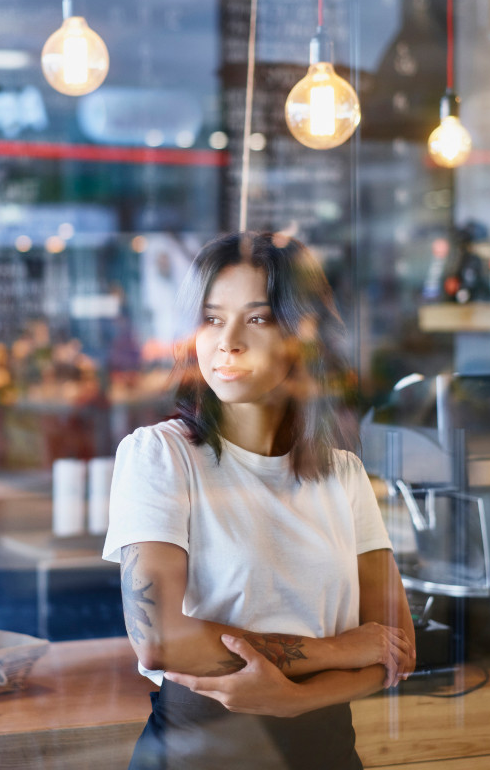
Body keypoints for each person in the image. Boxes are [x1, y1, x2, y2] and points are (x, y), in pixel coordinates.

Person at [102, 231, 415, 769]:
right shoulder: (159, 455)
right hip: (201, 751)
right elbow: (160, 640)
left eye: (258, 317)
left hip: (327, 751)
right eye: (211, 317)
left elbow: (396, 646)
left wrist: (295, 700)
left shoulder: (343, 473)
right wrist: (339, 651)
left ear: (303, 334)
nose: (228, 341)